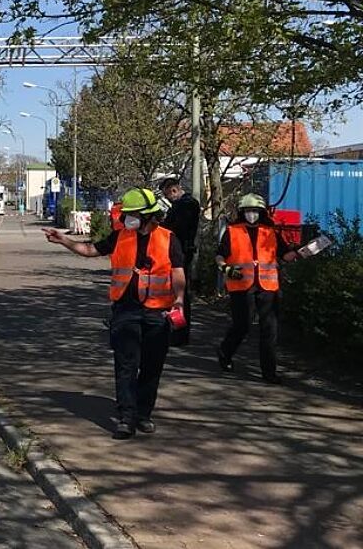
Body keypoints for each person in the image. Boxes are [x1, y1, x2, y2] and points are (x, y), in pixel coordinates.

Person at [43, 187, 185, 439]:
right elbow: (91, 250)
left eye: (133, 214)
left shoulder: (168, 238)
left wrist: (179, 300)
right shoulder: (120, 236)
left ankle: (143, 414)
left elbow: (177, 273)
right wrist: (64, 240)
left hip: (158, 312)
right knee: (126, 365)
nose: (127, 218)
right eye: (127, 214)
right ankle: (126, 418)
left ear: (148, 215)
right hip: (126, 310)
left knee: (152, 367)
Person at [216, 194, 300, 384]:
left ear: (261, 213)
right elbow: (220, 255)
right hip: (241, 285)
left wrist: (300, 252)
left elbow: (285, 255)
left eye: (255, 211)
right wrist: (225, 268)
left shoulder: (270, 232)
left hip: (267, 286)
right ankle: (225, 351)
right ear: (242, 212)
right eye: (248, 211)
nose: (251, 214)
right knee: (242, 326)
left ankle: (269, 372)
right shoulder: (232, 231)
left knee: (269, 329)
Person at [161, 177, 200, 345]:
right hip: (180, 250)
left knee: (179, 292)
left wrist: (162, 225)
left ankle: (179, 332)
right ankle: (176, 330)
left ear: (174, 190)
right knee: (177, 292)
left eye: (167, 195)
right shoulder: (184, 204)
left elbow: (176, 228)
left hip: (181, 252)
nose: (168, 199)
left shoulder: (186, 205)